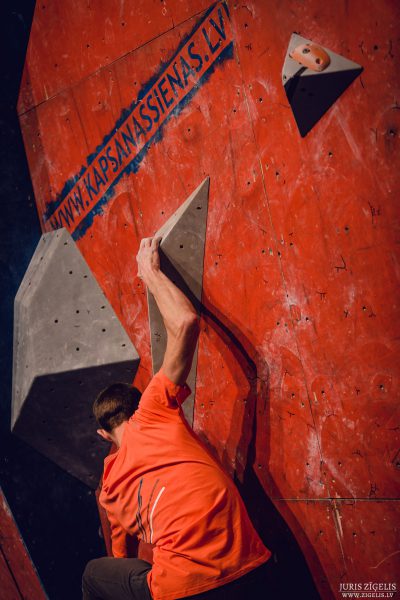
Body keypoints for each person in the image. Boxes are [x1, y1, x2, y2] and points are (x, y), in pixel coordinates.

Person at [82, 237, 274, 600]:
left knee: (95, 573)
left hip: (182, 589)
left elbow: (120, 552)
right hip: (251, 567)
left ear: (103, 434)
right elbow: (186, 321)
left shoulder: (109, 492)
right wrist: (149, 272)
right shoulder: (153, 411)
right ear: (138, 404)